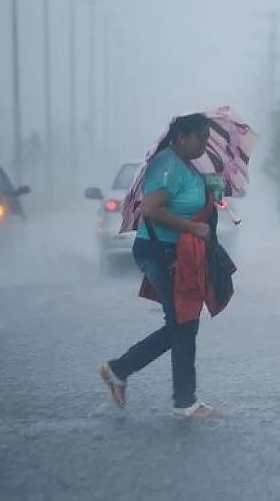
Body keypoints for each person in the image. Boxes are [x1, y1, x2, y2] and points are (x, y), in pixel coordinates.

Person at [99, 113, 224, 420]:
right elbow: (151, 209)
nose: (206, 145)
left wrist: (211, 189)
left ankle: (120, 370)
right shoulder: (166, 165)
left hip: (176, 252)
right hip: (160, 251)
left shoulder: (185, 165)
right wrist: (192, 228)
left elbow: (188, 200)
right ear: (182, 136)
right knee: (183, 322)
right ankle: (183, 402)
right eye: (201, 138)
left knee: (183, 323)